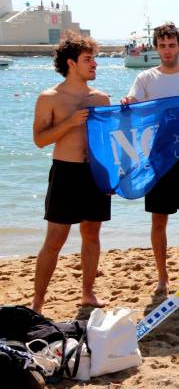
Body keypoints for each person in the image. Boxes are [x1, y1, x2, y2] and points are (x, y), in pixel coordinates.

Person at [122, 23, 179, 295]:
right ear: (156, 48)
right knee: (158, 220)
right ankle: (162, 277)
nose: (167, 50)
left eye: (172, 45)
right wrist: (127, 102)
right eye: (162, 45)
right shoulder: (146, 79)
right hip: (157, 158)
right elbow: (133, 106)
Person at [31, 32, 111, 313]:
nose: (95, 65)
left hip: (95, 173)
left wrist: (112, 174)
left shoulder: (101, 98)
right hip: (65, 173)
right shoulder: (49, 98)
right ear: (71, 63)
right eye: (88, 60)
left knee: (91, 233)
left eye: (94, 59)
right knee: (55, 239)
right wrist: (70, 122)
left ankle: (87, 293)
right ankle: (37, 302)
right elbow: (40, 140)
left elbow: (111, 140)